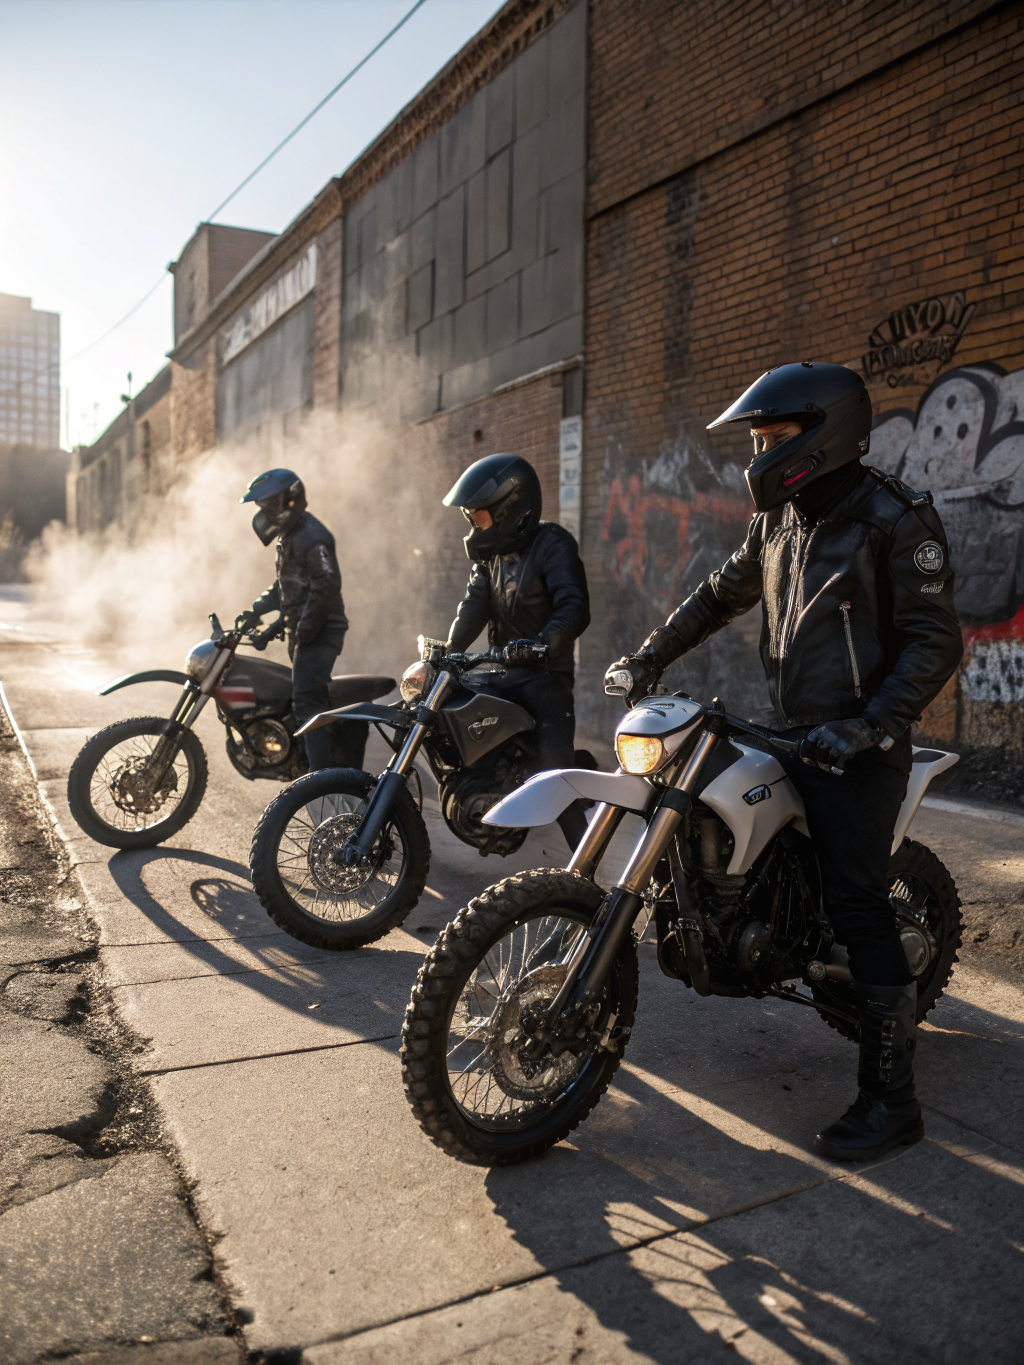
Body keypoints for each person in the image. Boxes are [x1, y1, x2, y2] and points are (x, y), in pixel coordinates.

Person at [606, 362, 963, 1161]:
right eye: (758, 438)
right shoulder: (780, 518)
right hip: (791, 728)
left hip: (858, 746)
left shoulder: (893, 520)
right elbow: (720, 592)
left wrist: (871, 726)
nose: (759, 453)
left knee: (859, 903)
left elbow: (936, 641)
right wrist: (647, 655)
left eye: (772, 437)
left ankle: (891, 1103)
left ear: (824, 433)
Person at [444, 452, 591, 851]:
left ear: (512, 510)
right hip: (500, 673)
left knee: (554, 777)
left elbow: (574, 607)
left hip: (545, 678)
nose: (474, 524)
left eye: (480, 515)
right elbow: (474, 606)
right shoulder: (490, 556)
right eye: (471, 516)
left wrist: (543, 644)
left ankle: (590, 868)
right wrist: (447, 651)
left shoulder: (553, 545)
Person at [241, 469, 348, 771]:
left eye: (267, 504)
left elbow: (325, 586)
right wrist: (257, 612)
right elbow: (287, 587)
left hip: (323, 630)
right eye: (261, 507)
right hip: (306, 628)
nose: (264, 512)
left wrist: (303, 631)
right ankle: (306, 765)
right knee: (299, 700)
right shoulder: (290, 535)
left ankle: (320, 781)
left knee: (306, 703)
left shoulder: (311, 536)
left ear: (289, 500)